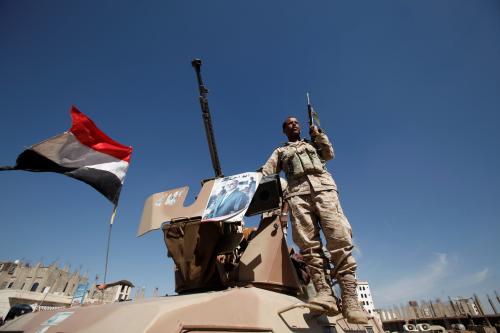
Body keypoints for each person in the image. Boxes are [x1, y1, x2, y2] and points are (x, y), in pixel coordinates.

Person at [261, 116, 368, 324]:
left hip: (325, 190)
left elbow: (329, 155)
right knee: (308, 245)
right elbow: (267, 172)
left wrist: (319, 136)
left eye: (296, 122)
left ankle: (351, 301)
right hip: (297, 195)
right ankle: (324, 294)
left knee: (340, 240)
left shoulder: (313, 143)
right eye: (289, 123)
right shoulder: (281, 151)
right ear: (284, 130)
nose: (294, 124)